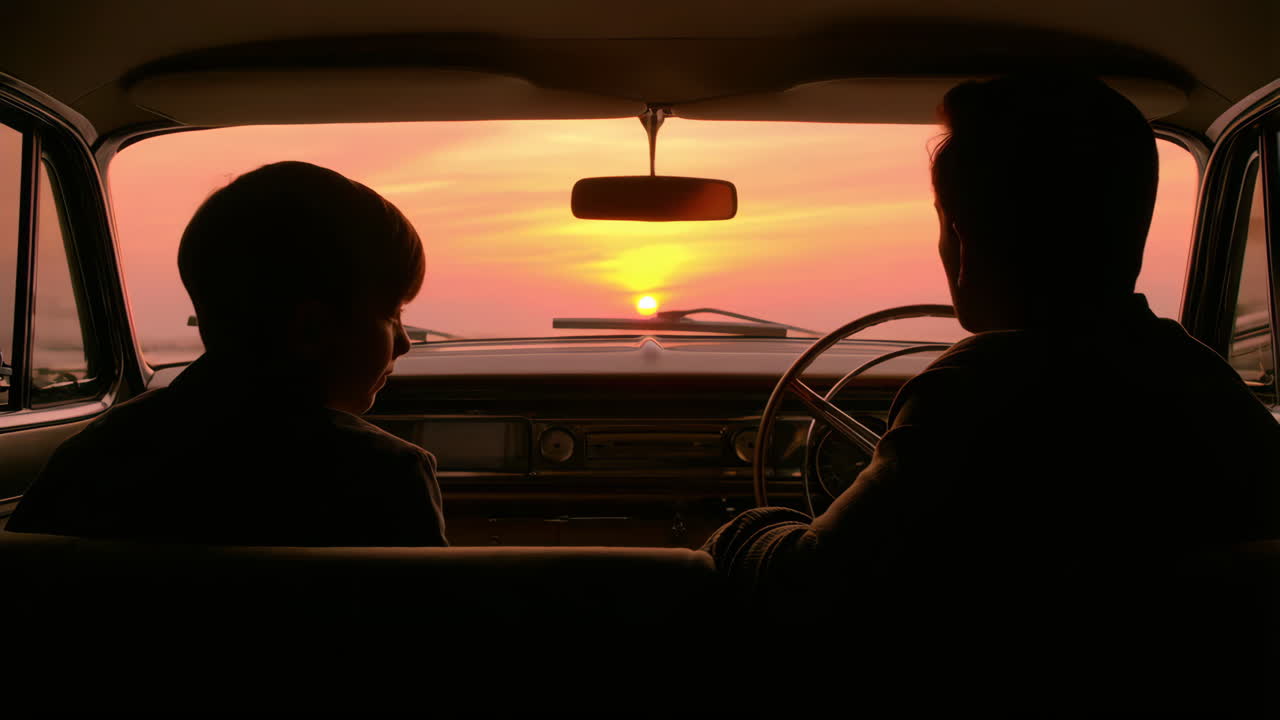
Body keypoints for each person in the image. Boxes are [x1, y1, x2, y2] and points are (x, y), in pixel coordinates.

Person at [702, 75, 1280, 678]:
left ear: (963, 240)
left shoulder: (974, 391)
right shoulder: (1204, 383)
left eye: (943, 222)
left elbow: (809, 587)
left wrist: (742, 530)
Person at [7, 161, 447, 546]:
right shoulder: (387, 476)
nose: (405, 342)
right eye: (393, 315)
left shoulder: (92, 456)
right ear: (311, 329)